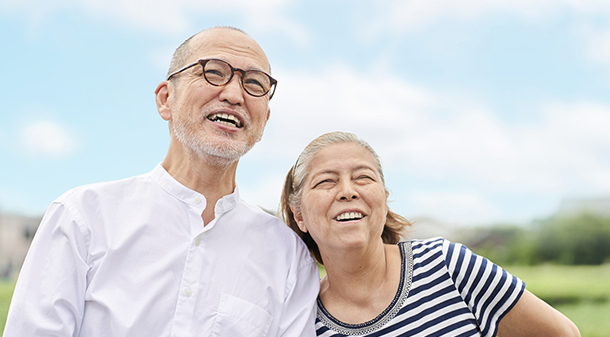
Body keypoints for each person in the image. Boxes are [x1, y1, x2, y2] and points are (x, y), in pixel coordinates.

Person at [4, 27, 319, 337]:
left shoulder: (289, 256)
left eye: (254, 83)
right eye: (213, 72)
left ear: (264, 120)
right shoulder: (82, 217)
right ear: (166, 99)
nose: (234, 95)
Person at [280, 131, 580, 337]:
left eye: (363, 178)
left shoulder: (446, 264)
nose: (347, 191)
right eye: (326, 182)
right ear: (300, 215)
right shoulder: (303, 321)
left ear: (383, 201)